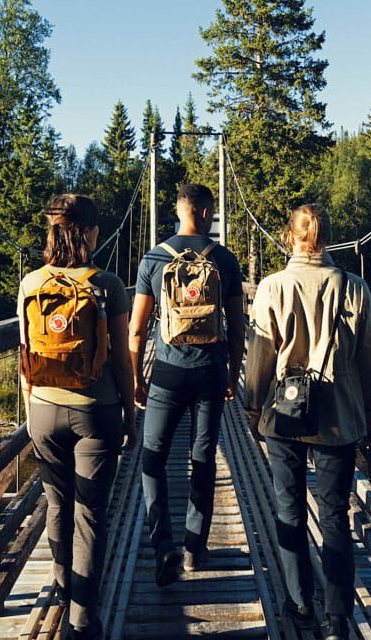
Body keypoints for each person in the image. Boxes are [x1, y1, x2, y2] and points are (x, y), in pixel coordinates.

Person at [244, 204, 371, 640]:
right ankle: (339, 616)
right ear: (327, 238)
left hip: (282, 416)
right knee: (335, 514)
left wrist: (252, 406)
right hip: (339, 417)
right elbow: (368, 362)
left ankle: (300, 602)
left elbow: (259, 357)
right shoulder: (355, 288)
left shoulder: (271, 287)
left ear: (291, 238)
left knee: (288, 508)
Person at [19, 193, 136, 640]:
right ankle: (83, 623)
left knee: (57, 504)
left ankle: (65, 592)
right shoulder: (107, 282)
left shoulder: (31, 283)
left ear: (51, 231)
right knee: (91, 515)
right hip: (96, 411)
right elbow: (123, 361)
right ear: (89, 232)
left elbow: (24, 350)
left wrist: (33, 407)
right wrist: (129, 411)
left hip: (45, 411)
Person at [128, 182, 246, 586]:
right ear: (209, 214)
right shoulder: (225, 260)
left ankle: (164, 547)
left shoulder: (154, 259)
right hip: (211, 372)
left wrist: (134, 380)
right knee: (203, 459)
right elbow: (238, 326)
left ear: (178, 211)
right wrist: (232, 372)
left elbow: (137, 329)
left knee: (152, 458)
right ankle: (195, 548)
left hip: (167, 373)